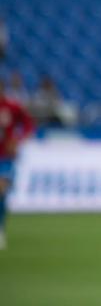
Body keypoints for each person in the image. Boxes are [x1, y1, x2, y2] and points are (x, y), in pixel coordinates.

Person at [0, 80, 35, 250]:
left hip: (5, 157)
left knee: (1, 190)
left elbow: (29, 124)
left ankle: (0, 230)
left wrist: (18, 140)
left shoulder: (12, 107)